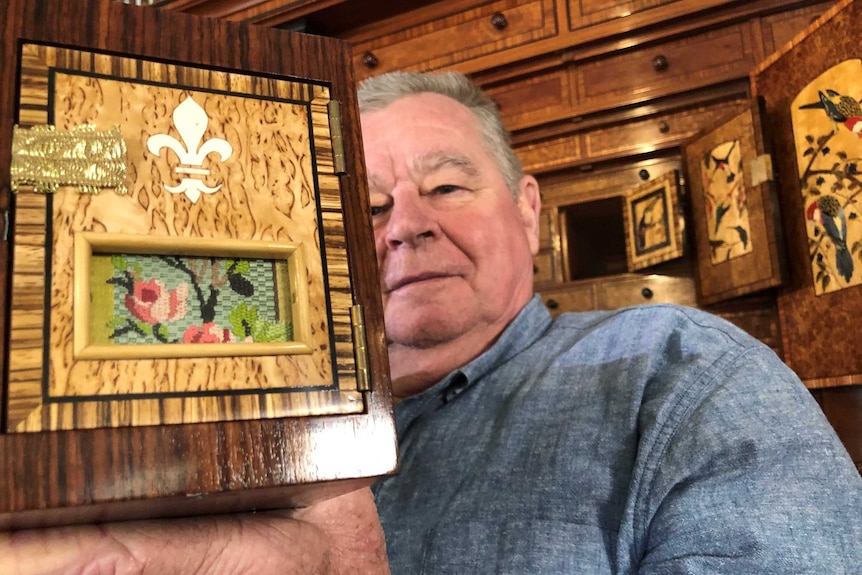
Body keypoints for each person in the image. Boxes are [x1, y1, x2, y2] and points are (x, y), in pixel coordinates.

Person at [2, 70, 860, 574]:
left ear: (527, 212)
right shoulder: (242, 400)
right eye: (365, 205)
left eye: (447, 185)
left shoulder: (680, 372)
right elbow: (52, 152)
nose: (406, 222)